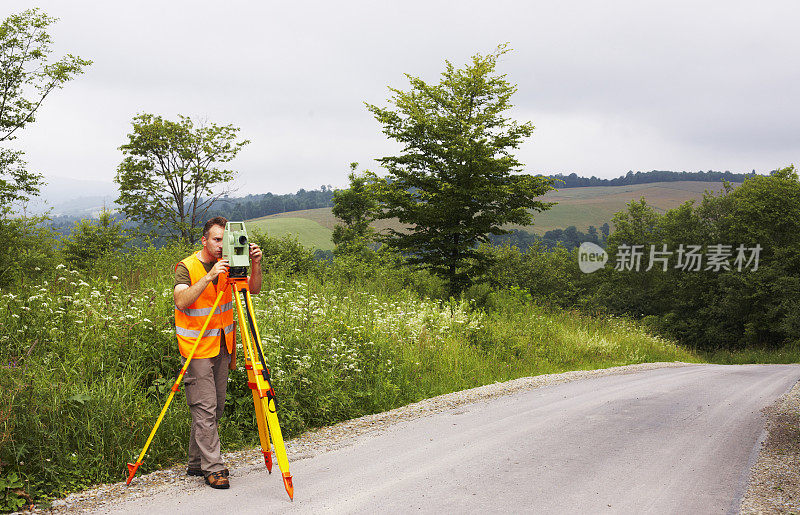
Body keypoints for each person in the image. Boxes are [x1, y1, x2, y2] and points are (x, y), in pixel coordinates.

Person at [173, 216, 262, 489]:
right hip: (196, 349)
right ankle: (214, 468)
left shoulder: (232, 264)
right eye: (217, 239)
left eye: (226, 239)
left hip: (223, 346)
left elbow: (254, 289)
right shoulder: (186, 267)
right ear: (204, 240)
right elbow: (181, 301)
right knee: (205, 408)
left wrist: (255, 264)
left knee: (214, 408)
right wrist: (211, 275)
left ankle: (195, 462)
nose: (222, 245)